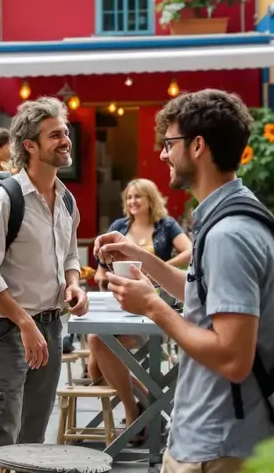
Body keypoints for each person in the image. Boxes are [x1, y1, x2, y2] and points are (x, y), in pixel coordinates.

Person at [98, 89, 274, 473]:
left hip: (217, 442)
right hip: (223, 433)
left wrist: (152, 306)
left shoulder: (227, 235)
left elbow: (233, 359)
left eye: (169, 143)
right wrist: (143, 257)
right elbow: (206, 295)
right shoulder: (238, 212)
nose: (163, 154)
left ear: (198, 146)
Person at [0, 97, 88, 473]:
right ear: (30, 145)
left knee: (33, 438)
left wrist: (73, 285)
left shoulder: (66, 200)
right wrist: (24, 322)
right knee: (0, 437)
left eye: (65, 132)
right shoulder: (5, 199)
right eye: (55, 135)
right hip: (4, 330)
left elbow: (70, 258)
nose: (65, 140)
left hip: (49, 326)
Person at [86, 178, 191, 438]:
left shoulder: (166, 225)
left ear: (150, 199)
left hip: (155, 304)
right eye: (129, 197)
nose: (132, 202)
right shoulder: (119, 227)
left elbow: (189, 251)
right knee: (95, 360)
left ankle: (134, 413)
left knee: (98, 346)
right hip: (121, 301)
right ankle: (146, 399)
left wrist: (156, 269)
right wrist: (101, 273)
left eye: (138, 197)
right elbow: (101, 264)